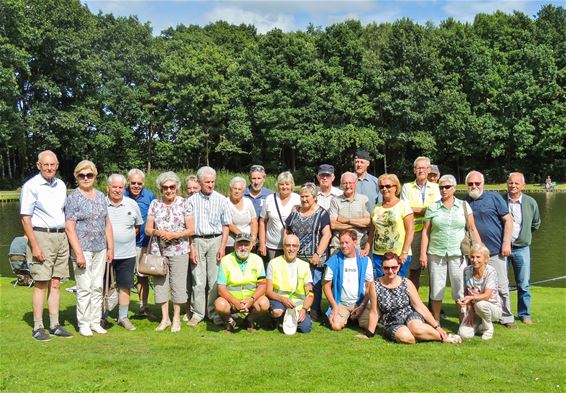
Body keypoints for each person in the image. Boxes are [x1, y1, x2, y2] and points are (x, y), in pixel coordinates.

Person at [20, 150, 73, 341]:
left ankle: (55, 324)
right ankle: (38, 327)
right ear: (39, 165)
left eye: (52, 165)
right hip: (41, 236)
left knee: (56, 283)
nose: (49, 168)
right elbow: (26, 218)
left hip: (61, 237)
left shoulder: (60, 185)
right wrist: (34, 245)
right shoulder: (31, 186)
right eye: (46, 165)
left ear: (57, 166)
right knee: (41, 283)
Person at [419, 174, 481, 323]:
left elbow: (472, 229)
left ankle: (463, 321)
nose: (444, 190)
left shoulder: (464, 206)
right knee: (436, 289)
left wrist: (479, 250)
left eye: (447, 187)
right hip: (436, 253)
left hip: (458, 254)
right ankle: (435, 322)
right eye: (441, 187)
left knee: (459, 289)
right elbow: (425, 232)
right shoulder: (432, 207)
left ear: (454, 188)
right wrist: (423, 254)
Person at [65, 160, 114, 337]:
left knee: (97, 286)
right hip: (82, 249)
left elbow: (107, 223)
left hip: (100, 248)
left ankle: (95, 321)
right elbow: (70, 227)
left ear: (95, 176)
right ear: (77, 177)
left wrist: (110, 247)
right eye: (82, 175)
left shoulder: (101, 196)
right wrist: (78, 253)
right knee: (84, 287)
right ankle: (83, 323)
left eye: (89, 175)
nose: (86, 178)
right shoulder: (73, 198)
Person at [465, 170, 515, 328]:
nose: (474, 186)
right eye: (470, 184)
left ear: (483, 184)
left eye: (477, 183)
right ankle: (478, 315)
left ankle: (507, 317)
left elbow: (508, 220)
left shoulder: (494, 198)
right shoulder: (464, 202)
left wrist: (506, 243)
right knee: (475, 287)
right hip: (475, 255)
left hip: (495, 251)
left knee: (501, 286)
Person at [373, 252, 460, 344]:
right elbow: (374, 311)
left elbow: (419, 306)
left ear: (398, 267)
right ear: (382, 268)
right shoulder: (375, 285)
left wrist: (436, 326)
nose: (390, 271)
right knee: (407, 338)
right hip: (391, 321)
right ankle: (423, 335)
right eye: (386, 268)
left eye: (393, 267)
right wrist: (369, 334)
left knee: (416, 328)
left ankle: (445, 337)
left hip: (409, 315)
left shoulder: (406, 283)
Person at [145, 172, 193, 332]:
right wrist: (160, 233)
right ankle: (165, 318)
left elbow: (191, 229)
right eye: (165, 187)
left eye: (172, 187)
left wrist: (175, 235)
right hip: (159, 252)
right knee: (160, 285)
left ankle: (176, 318)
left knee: (178, 285)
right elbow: (147, 229)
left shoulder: (185, 203)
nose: (169, 190)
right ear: (160, 188)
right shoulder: (154, 204)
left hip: (179, 250)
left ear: (177, 187)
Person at [186, 166, 231, 327]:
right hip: (197, 240)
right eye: (207, 182)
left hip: (216, 240)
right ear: (199, 182)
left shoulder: (221, 200)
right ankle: (198, 313)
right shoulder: (190, 201)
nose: (210, 185)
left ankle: (213, 313)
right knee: (198, 280)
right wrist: (191, 247)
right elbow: (189, 228)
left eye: (212, 182)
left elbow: (226, 225)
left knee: (213, 280)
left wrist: (222, 247)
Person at [285, 183, 332, 321]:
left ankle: (314, 310)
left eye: (307, 196)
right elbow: (287, 229)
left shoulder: (322, 213)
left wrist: (318, 254)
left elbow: (327, 234)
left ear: (315, 197)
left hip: (314, 258)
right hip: (296, 257)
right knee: (296, 283)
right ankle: (295, 308)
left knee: (314, 285)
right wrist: (287, 246)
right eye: (302, 196)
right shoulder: (295, 211)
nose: (304, 199)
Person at [105, 174, 143, 330]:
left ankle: (122, 317)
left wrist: (124, 238)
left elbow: (137, 226)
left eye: (120, 187)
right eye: (114, 187)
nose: (117, 190)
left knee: (125, 285)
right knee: (104, 285)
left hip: (127, 253)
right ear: (108, 187)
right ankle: (102, 316)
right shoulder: (102, 203)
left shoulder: (132, 204)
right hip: (105, 253)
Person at [323, 230, 377, 333]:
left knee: (370, 325)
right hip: (341, 304)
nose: (343, 246)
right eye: (341, 243)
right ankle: (347, 317)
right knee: (336, 326)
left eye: (346, 242)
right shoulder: (334, 260)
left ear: (355, 242)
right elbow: (326, 286)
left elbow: (369, 285)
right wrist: (334, 306)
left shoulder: (365, 260)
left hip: (361, 303)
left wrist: (362, 306)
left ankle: (355, 317)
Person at [400, 156, 441, 291]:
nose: (421, 170)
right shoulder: (407, 187)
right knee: (414, 270)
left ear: (429, 170)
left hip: (434, 232)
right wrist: (427, 210)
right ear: (414, 170)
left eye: (424, 168)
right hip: (415, 232)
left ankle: (434, 307)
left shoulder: (437, 188)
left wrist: (418, 210)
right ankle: (413, 304)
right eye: (418, 168)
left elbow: (438, 210)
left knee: (435, 273)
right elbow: (406, 210)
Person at [214, 233, 269, 332]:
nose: (243, 248)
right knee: (219, 304)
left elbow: (262, 285)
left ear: (252, 246)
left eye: (246, 244)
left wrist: (251, 300)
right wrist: (235, 302)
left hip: (251, 300)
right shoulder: (225, 260)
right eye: (240, 244)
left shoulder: (258, 260)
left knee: (264, 303)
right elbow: (221, 288)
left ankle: (249, 320)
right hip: (232, 301)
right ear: (234, 245)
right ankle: (229, 321)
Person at [506, 172, 541, 324]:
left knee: (524, 284)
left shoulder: (531, 202)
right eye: (510, 183)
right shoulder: (499, 200)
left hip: (522, 248)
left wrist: (524, 235)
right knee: (501, 283)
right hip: (502, 248)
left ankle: (524, 314)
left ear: (523, 186)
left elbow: (535, 223)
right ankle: (504, 314)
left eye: (516, 183)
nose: (513, 186)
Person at [365, 174, 414, 279]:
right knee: (381, 283)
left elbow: (410, 230)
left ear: (395, 187)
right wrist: (367, 247)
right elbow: (373, 230)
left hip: (398, 254)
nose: (384, 189)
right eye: (381, 187)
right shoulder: (377, 207)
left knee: (398, 283)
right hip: (378, 254)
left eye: (388, 186)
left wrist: (404, 252)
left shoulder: (404, 205)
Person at [266, 234, 315, 334]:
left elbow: (310, 293)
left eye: (294, 246)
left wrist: (304, 309)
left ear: (298, 248)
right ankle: (276, 318)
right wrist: (282, 299)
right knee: (277, 311)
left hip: (298, 304)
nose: (291, 249)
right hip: (279, 301)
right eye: (288, 245)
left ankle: (289, 318)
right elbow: (268, 291)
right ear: (283, 247)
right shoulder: (273, 263)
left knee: (305, 328)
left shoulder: (305, 266)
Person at [125, 168, 155, 319]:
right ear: (128, 182)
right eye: (133, 183)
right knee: (124, 277)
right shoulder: (121, 194)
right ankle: (121, 310)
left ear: (143, 183)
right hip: (125, 245)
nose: (136, 186)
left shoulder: (149, 196)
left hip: (144, 243)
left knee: (143, 276)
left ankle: (144, 306)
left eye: (139, 183)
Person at [457, 243, 503, 340]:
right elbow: (466, 293)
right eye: (472, 257)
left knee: (480, 304)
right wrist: (469, 310)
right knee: (464, 334)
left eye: (478, 257)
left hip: (492, 307)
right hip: (474, 309)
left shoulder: (491, 272)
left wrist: (471, 298)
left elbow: (487, 296)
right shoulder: (467, 271)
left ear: (486, 258)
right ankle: (480, 326)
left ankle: (488, 328)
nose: (474, 260)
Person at [258, 171, 301, 260]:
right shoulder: (269, 199)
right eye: (281, 184)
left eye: (287, 184)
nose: (284, 187)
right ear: (278, 185)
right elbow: (262, 221)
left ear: (292, 185)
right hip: (272, 246)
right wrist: (262, 243)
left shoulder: (298, 199)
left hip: (292, 246)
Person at [328, 172, 371, 255]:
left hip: (359, 244)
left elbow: (368, 223)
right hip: (338, 244)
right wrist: (357, 224)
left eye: (350, 183)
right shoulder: (335, 200)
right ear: (341, 185)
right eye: (345, 183)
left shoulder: (363, 199)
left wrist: (347, 220)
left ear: (356, 184)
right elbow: (333, 225)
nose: (348, 186)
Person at [183, 174, 200, 321]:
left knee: (199, 280)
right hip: (185, 245)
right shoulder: (184, 203)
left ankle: (200, 309)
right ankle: (188, 309)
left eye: (195, 187)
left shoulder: (202, 202)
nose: (192, 191)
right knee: (187, 280)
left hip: (199, 243)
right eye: (189, 188)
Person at [226, 176, 258, 254]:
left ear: (243, 191)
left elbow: (254, 221)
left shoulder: (248, 202)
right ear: (231, 189)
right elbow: (229, 224)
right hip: (231, 242)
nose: (237, 191)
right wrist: (243, 237)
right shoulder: (225, 202)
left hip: (248, 241)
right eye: (235, 188)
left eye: (239, 189)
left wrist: (253, 238)